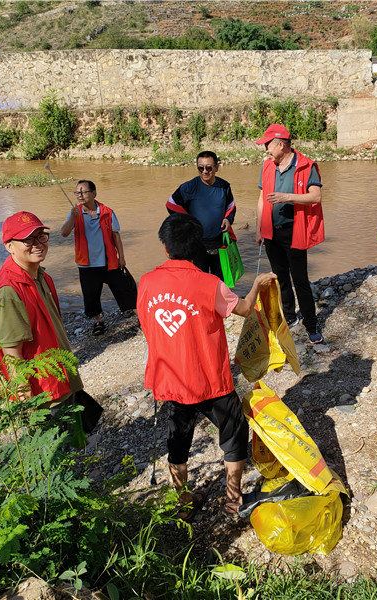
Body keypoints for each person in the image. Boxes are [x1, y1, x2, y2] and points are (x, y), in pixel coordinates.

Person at [137, 213, 276, 519]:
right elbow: (243, 309)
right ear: (197, 246)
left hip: (170, 381)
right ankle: (232, 498)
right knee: (234, 435)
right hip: (209, 380)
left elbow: (147, 325)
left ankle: (184, 502)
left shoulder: (146, 282)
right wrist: (256, 284)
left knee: (177, 444)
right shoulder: (209, 283)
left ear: (165, 247)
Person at [0, 212, 83, 407]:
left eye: (40, 236)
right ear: (9, 246)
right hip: (43, 395)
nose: (38, 244)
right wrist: (28, 405)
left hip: (61, 379)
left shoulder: (41, 276)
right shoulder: (8, 292)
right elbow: (12, 356)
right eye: (28, 240)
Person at [254, 124, 324, 343]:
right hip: (271, 233)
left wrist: (287, 197)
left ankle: (311, 325)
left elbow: (316, 196)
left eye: (267, 145)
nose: (265, 149)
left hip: (295, 231)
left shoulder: (305, 166)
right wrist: (258, 229)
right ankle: (290, 318)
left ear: (280, 144)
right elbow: (262, 198)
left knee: (300, 279)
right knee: (280, 278)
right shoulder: (267, 166)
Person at [60, 180, 133, 336]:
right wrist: (72, 218)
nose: (80, 195)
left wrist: (122, 257)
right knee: (91, 295)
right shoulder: (75, 212)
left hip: (109, 261)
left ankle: (138, 315)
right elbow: (64, 233)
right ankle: (98, 322)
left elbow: (116, 236)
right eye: (77, 193)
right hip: (86, 265)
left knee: (125, 288)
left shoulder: (107, 212)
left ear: (94, 193)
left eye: (83, 192)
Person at [166, 150, 236, 280]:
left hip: (220, 243)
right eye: (200, 168)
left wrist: (228, 219)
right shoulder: (188, 187)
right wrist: (188, 223)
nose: (205, 171)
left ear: (216, 167)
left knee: (220, 283)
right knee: (198, 282)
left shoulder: (224, 186)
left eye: (209, 168)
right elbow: (171, 204)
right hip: (197, 245)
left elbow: (231, 206)